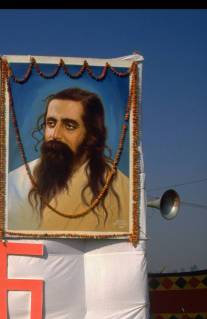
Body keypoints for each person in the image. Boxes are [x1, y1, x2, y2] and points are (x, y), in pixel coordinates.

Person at [7, 87, 129, 232]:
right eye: (51, 123)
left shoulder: (118, 186)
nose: (55, 134)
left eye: (69, 126)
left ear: (91, 135)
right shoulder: (16, 181)